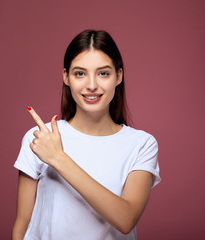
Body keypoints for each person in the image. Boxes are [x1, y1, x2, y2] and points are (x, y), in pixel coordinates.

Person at [12, 29, 161, 240]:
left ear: (118, 76)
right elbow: (22, 224)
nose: (91, 85)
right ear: (66, 77)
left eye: (103, 73)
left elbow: (126, 219)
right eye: (80, 73)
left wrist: (58, 158)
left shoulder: (141, 144)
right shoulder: (39, 138)